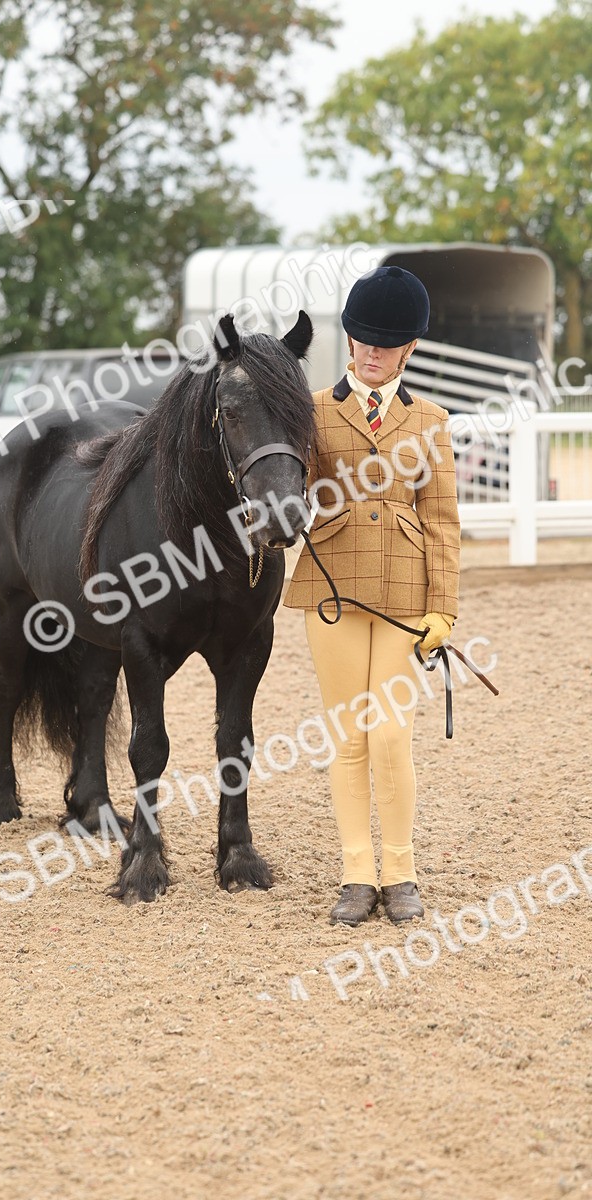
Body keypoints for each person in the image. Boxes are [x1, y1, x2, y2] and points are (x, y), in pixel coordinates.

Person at [284, 265, 461, 926]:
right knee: (347, 736)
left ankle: (403, 871)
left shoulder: (432, 422)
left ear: (409, 349)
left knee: (390, 734)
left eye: (388, 345)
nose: (374, 353)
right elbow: (288, 490)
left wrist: (444, 606)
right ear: (351, 340)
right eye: (365, 340)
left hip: (404, 595)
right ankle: (358, 874)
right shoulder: (311, 412)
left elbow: (443, 520)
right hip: (332, 588)